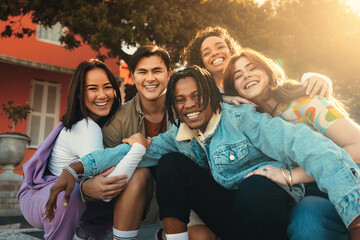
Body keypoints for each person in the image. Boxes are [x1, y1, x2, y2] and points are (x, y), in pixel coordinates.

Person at [46, 66, 360, 240]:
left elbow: (311, 147)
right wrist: (74, 169)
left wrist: (355, 218)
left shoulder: (243, 118)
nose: (190, 105)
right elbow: (126, 152)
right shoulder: (178, 135)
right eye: (181, 99)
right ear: (174, 106)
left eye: (197, 96)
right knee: (169, 163)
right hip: (230, 217)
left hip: (267, 210)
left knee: (253, 186)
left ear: (212, 95)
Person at [79, 45, 215, 240]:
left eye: (157, 71)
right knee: (138, 172)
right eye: (143, 72)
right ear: (133, 76)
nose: (150, 78)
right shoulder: (117, 121)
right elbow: (107, 170)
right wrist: (84, 186)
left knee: (203, 238)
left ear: (169, 74)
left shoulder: (188, 109)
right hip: (137, 199)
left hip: (184, 197)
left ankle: (164, 235)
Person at [222, 48, 360, 239]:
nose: (246, 76)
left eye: (252, 68)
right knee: (306, 221)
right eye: (238, 76)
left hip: (349, 181)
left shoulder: (305, 101)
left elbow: (358, 146)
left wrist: (291, 176)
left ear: (268, 70)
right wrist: (225, 98)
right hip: (309, 199)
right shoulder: (251, 124)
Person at [18, 59, 151, 240]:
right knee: (73, 195)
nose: (102, 95)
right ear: (80, 94)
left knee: (126, 192)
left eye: (107, 87)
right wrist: (136, 148)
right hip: (46, 197)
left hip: (64, 196)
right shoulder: (86, 127)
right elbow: (107, 185)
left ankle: (85, 233)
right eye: (93, 89)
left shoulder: (103, 124)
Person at [182, 26, 333, 103]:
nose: (215, 53)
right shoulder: (205, 93)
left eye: (220, 47)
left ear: (231, 50)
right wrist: (223, 100)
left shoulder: (252, 77)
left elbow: (281, 85)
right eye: (207, 53)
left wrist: (314, 78)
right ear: (202, 63)